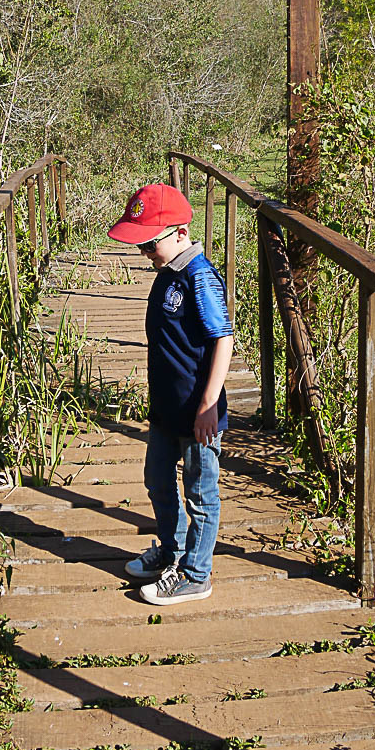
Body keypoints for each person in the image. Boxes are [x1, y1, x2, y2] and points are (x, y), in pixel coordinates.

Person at [107, 183, 234, 604]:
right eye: (140, 246)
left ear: (180, 232)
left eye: (149, 244)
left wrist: (209, 405)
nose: (145, 253)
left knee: (200, 493)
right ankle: (173, 550)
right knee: (157, 481)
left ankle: (196, 573)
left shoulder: (200, 277)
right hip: (165, 407)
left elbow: (223, 339)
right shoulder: (168, 274)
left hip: (198, 411)